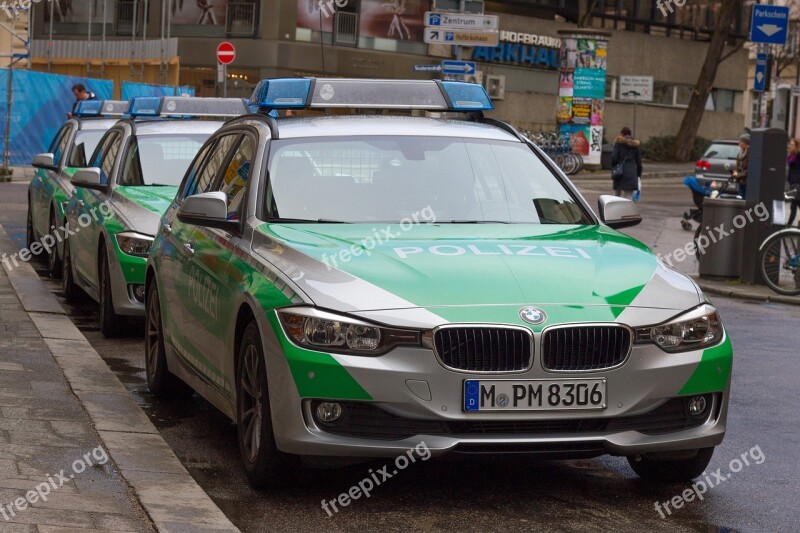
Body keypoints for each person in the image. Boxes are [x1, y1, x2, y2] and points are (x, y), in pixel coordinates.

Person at [611, 126, 642, 199]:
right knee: (628, 197)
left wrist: (613, 168)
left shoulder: (618, 144)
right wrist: (638, 175)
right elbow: (639, 163)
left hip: (619, 174)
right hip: (631, 174)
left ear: (622, 134)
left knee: (616, 196)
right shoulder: (635, 146)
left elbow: (614, 158)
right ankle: (626, 210)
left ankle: (615, 210)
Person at [732, 133, 749, 198]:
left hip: (747, 182)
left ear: (746, 143)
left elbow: (750, 169)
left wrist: (739, 174)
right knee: (740, 198)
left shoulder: (750, 153)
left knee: (745, 200)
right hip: (741, 181)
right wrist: (735, 173)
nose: (739, 143)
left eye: (741, 141)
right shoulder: (740, 153)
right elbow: (738, 166)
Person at [788, 138, 800, 226]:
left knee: (794, 204)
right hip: (793, 183)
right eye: (790, 144)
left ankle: (788, 225)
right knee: (797, 203)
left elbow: (791, 162)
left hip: (797, 183)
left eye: (792, 145)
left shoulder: (798, 156)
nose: (790, 146)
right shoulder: (791, 155)